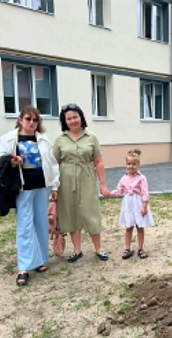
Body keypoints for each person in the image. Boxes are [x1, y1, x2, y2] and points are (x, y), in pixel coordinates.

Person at [0, 106, 60, 287]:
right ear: (20, 120)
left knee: (41, 223)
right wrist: (12, 163)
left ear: (38, 123)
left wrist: (55, 186)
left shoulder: (44, 140)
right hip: (22, 188)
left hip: (42, 187)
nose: (31, 122)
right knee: (24, 225)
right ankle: (23, 267)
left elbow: (52, 165)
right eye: (28, 119)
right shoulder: (8, 140)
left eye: (35, 120)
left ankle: (39, 261)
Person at [52, 103, 109, 263]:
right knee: (70, 213)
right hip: (66, 180)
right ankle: (77, 250)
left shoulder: (91, 138)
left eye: (75, 117)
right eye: (68, 118)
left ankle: (99, 248)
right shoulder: (60, 140)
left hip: (87, 178)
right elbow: (54, 163)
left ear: (81, 117)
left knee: (90, 211)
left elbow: (98, 162)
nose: (72, 121)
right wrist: (53, 187)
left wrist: (102, 184)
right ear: (65, 121)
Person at [107, 149, 154, 260]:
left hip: (138, 203)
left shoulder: (142, 178)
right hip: (128, 204)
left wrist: (144, 206)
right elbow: (119, 190)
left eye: (134, 164)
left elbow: (144, 193)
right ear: (126, 165)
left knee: (139, 226)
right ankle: (127, 248)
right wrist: (109, 193)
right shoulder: (124, 178)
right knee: (129, 226)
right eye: (128, 164)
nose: (131, 166)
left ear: (138, 165)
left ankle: (140, 248)